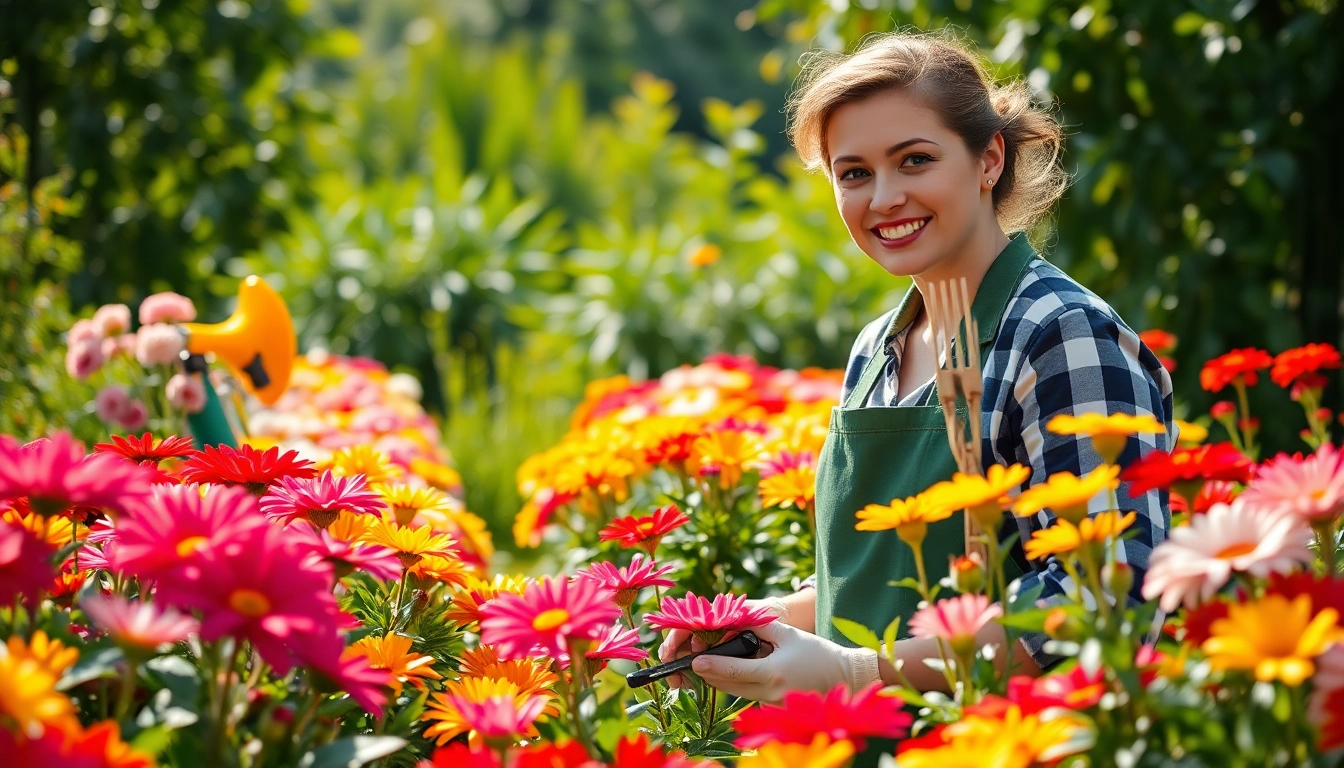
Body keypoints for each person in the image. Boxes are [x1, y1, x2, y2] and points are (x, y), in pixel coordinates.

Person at [658, 30, 1174, 763]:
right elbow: (889, 578)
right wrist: (771, 620)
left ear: (988, 159)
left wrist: (858, 673)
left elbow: (1107, 602)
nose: (885, 198)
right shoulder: (879, 347)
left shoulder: (1061, 336)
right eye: (854, 172)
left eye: (915, 160)